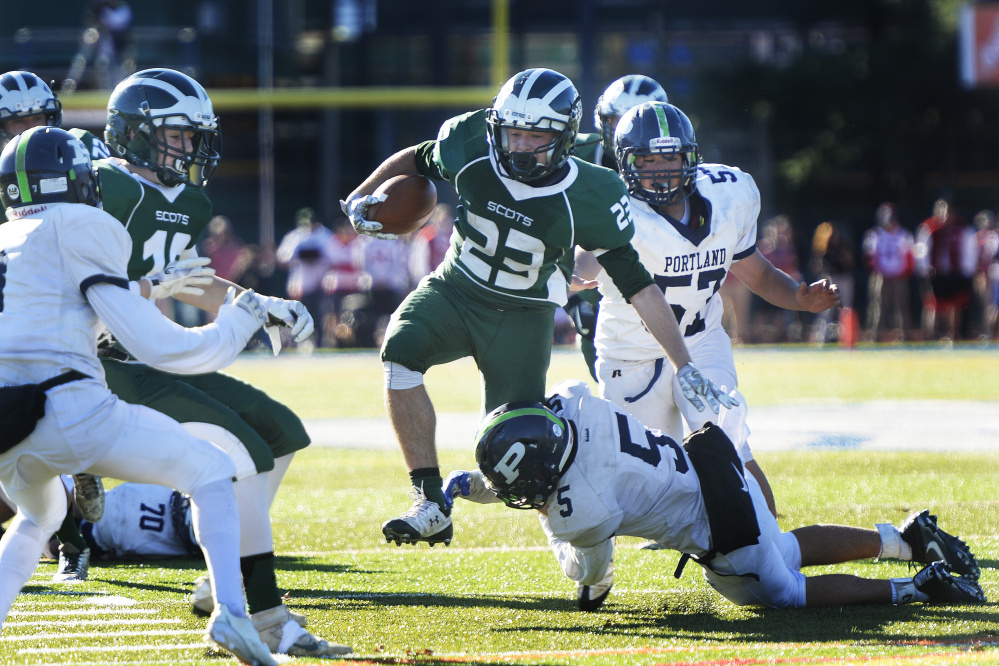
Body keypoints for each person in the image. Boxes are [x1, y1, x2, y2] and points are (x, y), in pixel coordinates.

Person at [341, 67, 734, 547]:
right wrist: (364, 194)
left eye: (535, 135)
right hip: (456, 288)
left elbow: (639, 285)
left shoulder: (592, 192)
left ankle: (490, 489)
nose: (521, 145)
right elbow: (418, 160)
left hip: (522, 318)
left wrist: (685, 364)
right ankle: (428, 500)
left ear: (565, 136)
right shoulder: (471, 141)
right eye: (513, 132)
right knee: (399, 352)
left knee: (518, 465)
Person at [72, 68, 349, 657]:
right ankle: (269, 616)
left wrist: (261, 305)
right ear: (135, 133)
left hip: (144, 353)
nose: (191, 147)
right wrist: (143, 288)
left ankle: (218, 567)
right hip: (91, 357)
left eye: (196, 136)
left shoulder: (187, 198)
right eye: (178, 135)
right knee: (241, 451)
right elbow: (77, 280)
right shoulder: (97, 187)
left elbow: (191, 281)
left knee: (280, 432)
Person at [0, 126, 278, 665]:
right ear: (77, 181)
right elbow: (161, 348)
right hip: (70, 409)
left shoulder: (8, 238)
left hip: (5, 425)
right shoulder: (83, 223)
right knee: (212, 471)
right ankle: (233, 616)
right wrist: (239, 321)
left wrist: (150, 286)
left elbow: (61, 301)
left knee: (40, 515)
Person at [445, 380, 986, 612]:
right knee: (786, 546)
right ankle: (905, 539)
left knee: (786, 595)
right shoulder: (572, 401)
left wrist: (542, 519)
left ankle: (913, 588)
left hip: (718, 526)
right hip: (712, 462)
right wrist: (477, 485)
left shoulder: (580, 511)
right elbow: (537, 461)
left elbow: (592, 576)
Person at [580, 101, 839, 520]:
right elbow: (580, 270)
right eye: (646, 161)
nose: (661, 170)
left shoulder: (728, 196)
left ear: (690, 158)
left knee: (729, 443)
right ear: (626, 166)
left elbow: (758, 274)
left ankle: (772, 547)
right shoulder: (617, 210)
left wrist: (798, 296)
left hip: (700, 342)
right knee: (647, 483)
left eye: (670, 158)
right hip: (630, 355)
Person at [0, 69, 110, 583]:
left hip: (59, 298)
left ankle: (72, 540)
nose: (27, 130)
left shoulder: (76, 153)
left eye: (37, 118)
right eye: (15, 121)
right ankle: (65, 523)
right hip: (10, 299)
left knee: (50, 412)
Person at [569, 74, 670, 379]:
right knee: (588, 314)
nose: (624, 131)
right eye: (616, 120)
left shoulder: (671, 162)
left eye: (636, 121)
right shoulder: (574, 154)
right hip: (584, 274)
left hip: (653, 267)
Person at [915, 200, 976, 341]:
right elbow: (922, 250)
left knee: (956, 304)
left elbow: (970, 250)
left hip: (955, 272)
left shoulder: (962, 227)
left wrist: (967, 269)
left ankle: (953, 335)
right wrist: (924, 269)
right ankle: (930, 335)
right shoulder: (929, 227)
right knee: (933, 305)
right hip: (936, 273)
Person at [275, 207, 335, 347]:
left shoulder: (326, 235)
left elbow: (334, 260)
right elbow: (282, 261)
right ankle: (294, 345)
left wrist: (317, 256)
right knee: (297, 318)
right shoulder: (295, 236)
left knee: (320, 318)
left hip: (321, 284)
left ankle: (320, 344)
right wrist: (300, 255)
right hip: (299, 285)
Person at [863, 202, 914, 342]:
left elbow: (910, 256)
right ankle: (875, 335)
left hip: (900, 276)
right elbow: (870, 257)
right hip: (881, 276)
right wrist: (877, 271)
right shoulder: (875, 235)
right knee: (878, 307)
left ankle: (904, 335)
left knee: (902, 307)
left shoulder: (904, 234)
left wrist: (905, 272)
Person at [808, 221, 855, 343]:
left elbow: (849, 263)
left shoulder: (844, 246)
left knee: (845, 309)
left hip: (843, 278)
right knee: (826, 310)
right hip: (829, 278)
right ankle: (821, 337)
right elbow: (817, 266)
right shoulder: (822, 248)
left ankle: (846, 337)